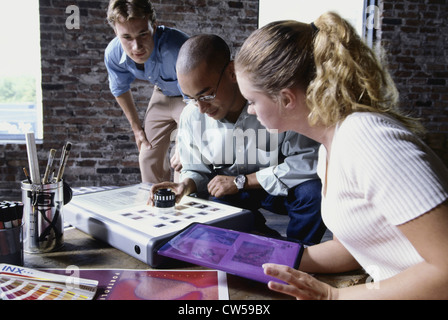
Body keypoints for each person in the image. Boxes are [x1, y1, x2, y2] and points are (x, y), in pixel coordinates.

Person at [234, 12, 448, 299]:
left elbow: (445, 270)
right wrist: (278, 259)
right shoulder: (329, 147)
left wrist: (333, 296)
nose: (249, 111)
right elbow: (356, 245)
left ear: (286, 99)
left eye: (252, 101)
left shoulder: (369, 141)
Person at [149, 34, 326, 244]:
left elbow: (308, 161)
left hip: (277, 185)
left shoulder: (271, 102)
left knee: (314, 193)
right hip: (227, 192)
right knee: (212, 210)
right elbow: (197, 169)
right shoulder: (192, 115)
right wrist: (185, 185)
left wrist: (242, 181)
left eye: (206, 95)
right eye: (191, 98)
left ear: (232, 72)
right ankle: (269, 243)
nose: (201, 108)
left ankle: (301, 254)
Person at [105, 0, 189, 183]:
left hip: (192, 99)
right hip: (162, 94)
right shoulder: (112, 53)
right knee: (147, 156)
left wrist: (187, 141)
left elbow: (197, 99)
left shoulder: (177, 48)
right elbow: (119, 89)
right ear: (116, 33)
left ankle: (184, 204)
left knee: (183, 160)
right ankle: (155, 204)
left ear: (154, 25)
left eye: (143, 34)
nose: (136, 47)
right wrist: (136, 129)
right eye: (127, 37)